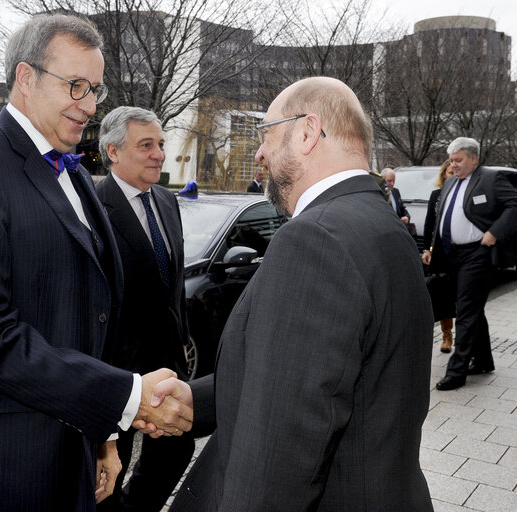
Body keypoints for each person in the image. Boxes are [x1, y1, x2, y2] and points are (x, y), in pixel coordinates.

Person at [0, 14, 192, 512]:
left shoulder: (75, 176)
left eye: (95, 89)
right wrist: (127, 394)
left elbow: (89, 322)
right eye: (75, 85)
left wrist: (103, 437)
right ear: (25, 78)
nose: (90, 106)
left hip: (62, 460)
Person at [151, 76, 434, 511]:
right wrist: (199, 400)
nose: (260, 153)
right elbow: (318, 378)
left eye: (267, 135)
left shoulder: (314, 240)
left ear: (306, 132)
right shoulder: (382, 226)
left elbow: (279, 452)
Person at [95, 106, 195, 512]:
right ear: (113, 151)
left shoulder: (167, 203)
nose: (159, 154)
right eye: (147, 145)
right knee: (107, 476)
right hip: (118, 377)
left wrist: (183, 346)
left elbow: (173, 286)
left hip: (168, 371)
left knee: (174, 454)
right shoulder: (92, 208)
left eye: (160, 145)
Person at [422, 137, 517, 391]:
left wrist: (494, 232)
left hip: (477, 255)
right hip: (450, 255)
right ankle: (483, 360)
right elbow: (440, 221)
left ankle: (456, 372)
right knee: (471, 308)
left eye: (458, 160)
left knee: (466, 312)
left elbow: (516, 204)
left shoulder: (490, 179)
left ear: (474, 158)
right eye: (451, 161)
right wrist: (433, 249)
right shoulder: (449, 184)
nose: (453, 165)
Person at [423, 159, 455, 353]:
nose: (452, 176)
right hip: (440, 254)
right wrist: (427, 249)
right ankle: (447, 335)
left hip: (459, 253)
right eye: (449, 173)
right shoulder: (436, 195)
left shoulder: (462, 195)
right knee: (443, 295)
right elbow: (429, 224)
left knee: (458, 296)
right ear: (444, 175)